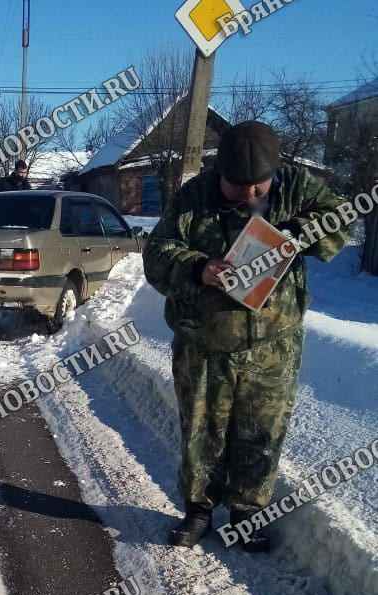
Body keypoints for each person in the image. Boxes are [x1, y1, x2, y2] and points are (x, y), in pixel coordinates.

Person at [143, 121, 350, 552]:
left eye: (260, 186)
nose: (252, 195)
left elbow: (342, 219)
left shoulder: (296, 187)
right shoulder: (192, 198)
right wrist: (198, 268)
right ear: (221, 174)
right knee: (202, 429)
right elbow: (157, 253)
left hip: (273, 345)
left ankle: (247, 515)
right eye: (240, 188)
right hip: (205, 342)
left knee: (262, 430)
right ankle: (198, 511)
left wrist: (295, 234)